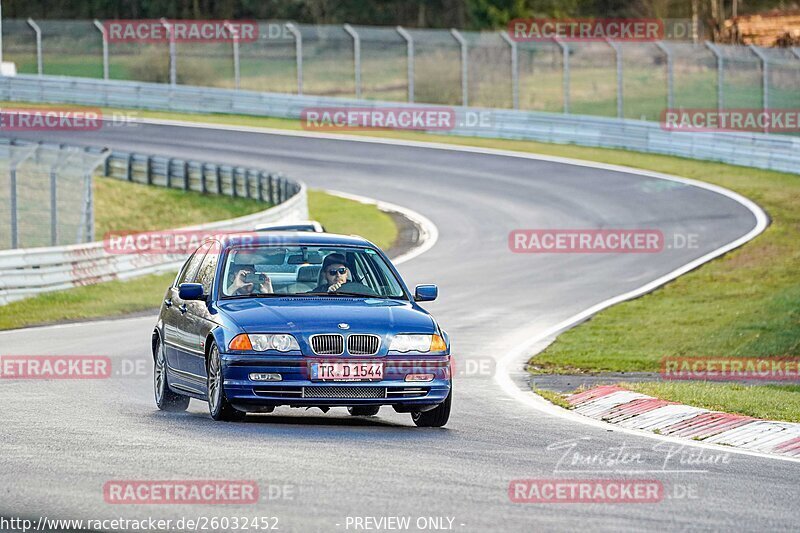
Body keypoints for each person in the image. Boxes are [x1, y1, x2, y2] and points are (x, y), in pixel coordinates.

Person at [308, 253, 378, 296]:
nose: (338, 275)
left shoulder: (360, 289)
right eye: (333, 272)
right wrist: (328, 295)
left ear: (346, 273)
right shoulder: (317, 294)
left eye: (342, 271)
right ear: (324, 275)